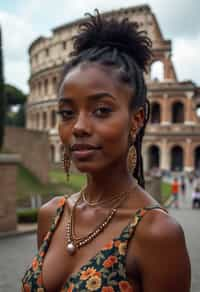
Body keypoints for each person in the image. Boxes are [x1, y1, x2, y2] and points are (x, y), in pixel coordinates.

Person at [22, 10, 191, 292]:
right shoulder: (51, 215)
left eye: (101, 110)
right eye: (66, 113)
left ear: (136, 120)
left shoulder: (157, 234)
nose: (78, 127)